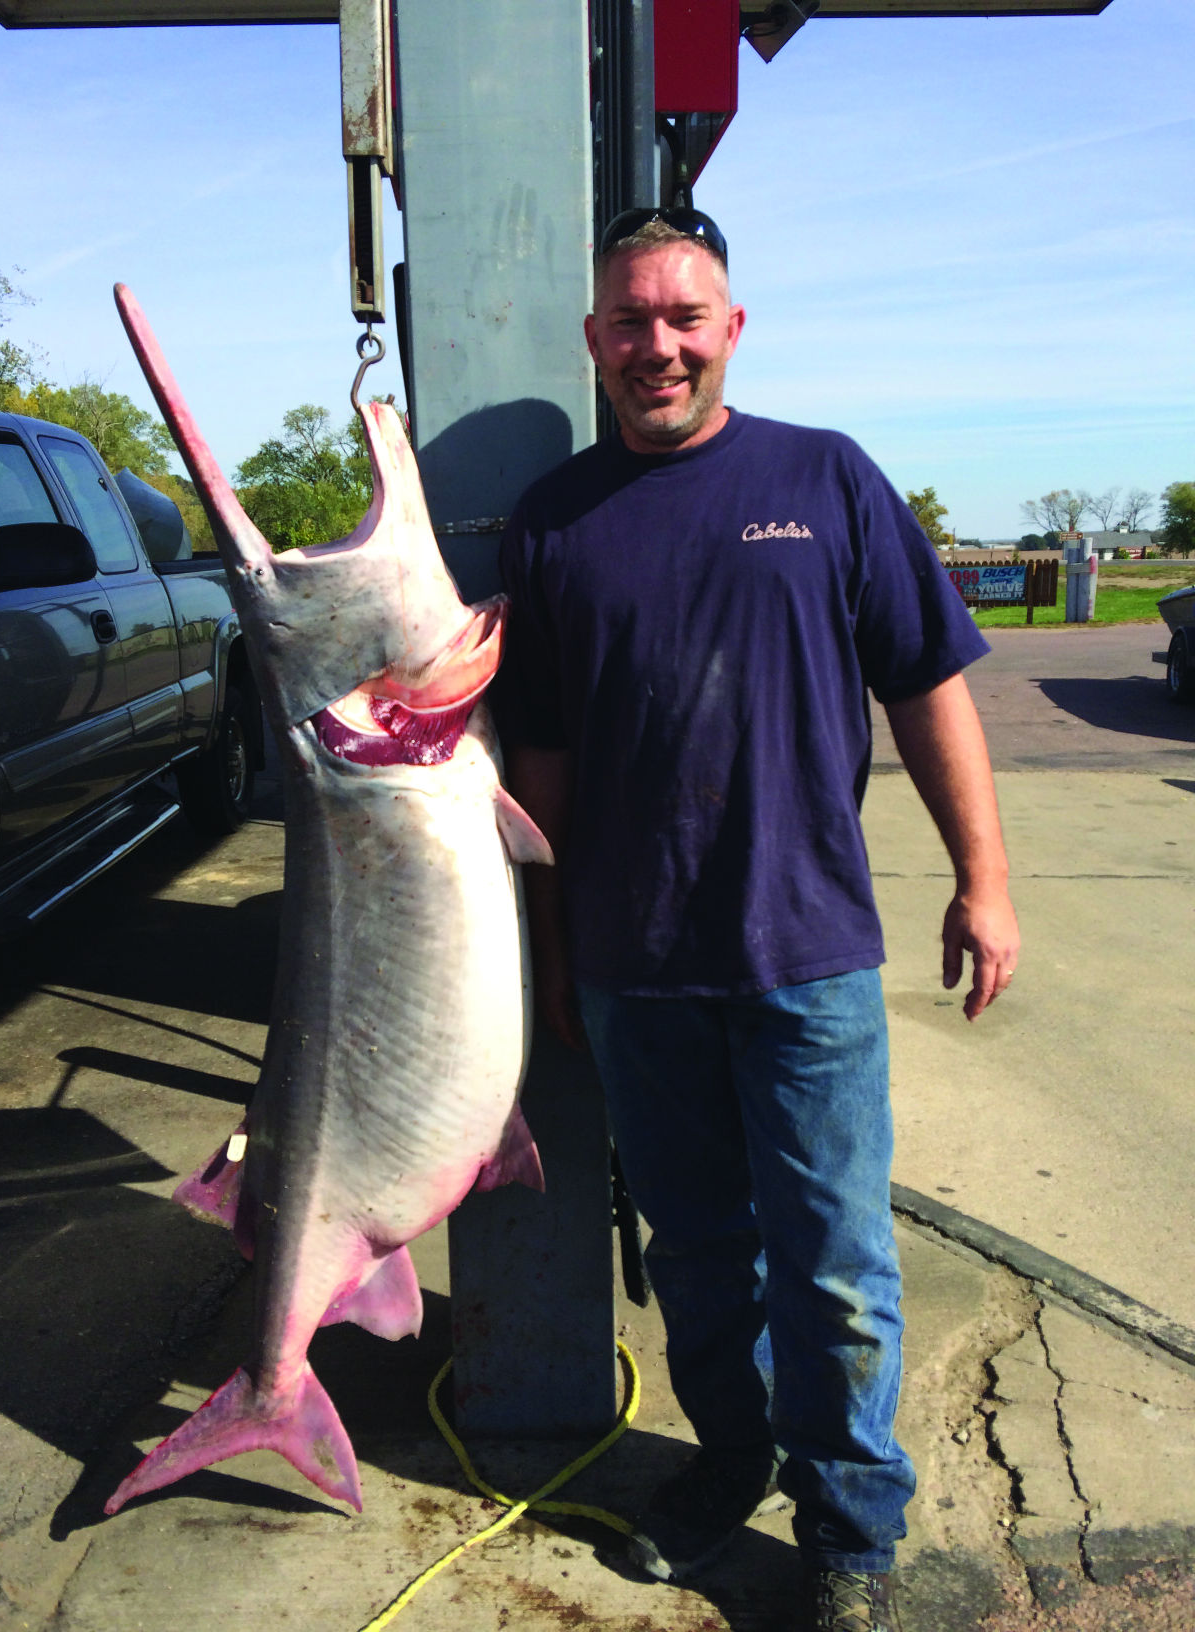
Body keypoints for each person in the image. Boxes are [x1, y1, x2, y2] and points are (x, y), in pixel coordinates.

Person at [495, 207, 1020, 1632]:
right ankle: (729, 1464)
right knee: (698, 1258)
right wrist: (546, 963)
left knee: (837, 1269)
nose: (655, 344)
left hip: (807, 958)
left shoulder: (827, 479)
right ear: (594, 340)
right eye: (628, 320)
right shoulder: (553, 519)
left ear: (731, 328)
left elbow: (927, 688)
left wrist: (986, 876)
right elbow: (532, 765)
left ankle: (852, 1527)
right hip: (632, 966)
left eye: (682, 316)